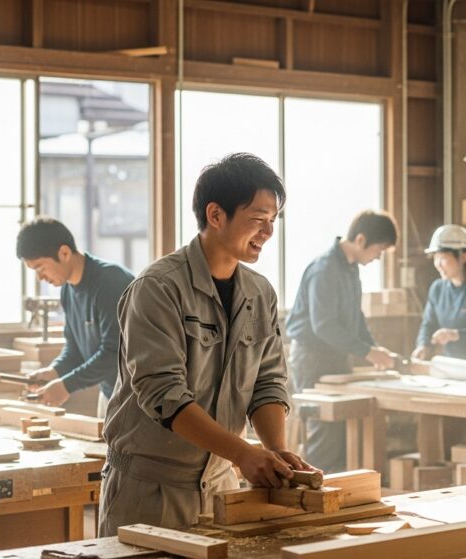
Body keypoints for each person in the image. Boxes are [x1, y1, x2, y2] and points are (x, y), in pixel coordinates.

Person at [99, 153, 311, 535]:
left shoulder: (260, 293)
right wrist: (244, 453)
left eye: (273, 220)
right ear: (216, 215)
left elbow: (267, 383)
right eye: (258, 219)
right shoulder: (158, 288)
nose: (267, 232)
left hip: (220, 484)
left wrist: (274, 451)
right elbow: (164, 394)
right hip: (150, 491)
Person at [286, 210, 400, 473]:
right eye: (379, 250)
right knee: (325, 432)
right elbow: (324, 325)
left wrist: (374, 349)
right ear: (361, 240)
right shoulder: (324, 269)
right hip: (312, 359)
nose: (378, 257)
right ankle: (318, 494)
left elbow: (355, 317)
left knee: (342, 434)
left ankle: (341, 491)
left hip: (336, 357)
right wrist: (367, 352)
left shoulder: (350, 269)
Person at [17, 217, 133, 417]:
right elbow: (75, 349)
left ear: (64, 253)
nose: (40, 278)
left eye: (40, 268)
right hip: (109, 394)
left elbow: (115, 353)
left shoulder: (110, 282)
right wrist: (54, 372)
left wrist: (66, 386)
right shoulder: (67, 290)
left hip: (138, 398)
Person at [412, 225, 466, 361]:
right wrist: (422, 345)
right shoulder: (437, 289)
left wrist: (455, 335)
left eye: (443, 258)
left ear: (463, 257)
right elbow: (428, 324)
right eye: (435, 258)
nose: (438, 264)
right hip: (449, 363)